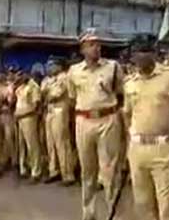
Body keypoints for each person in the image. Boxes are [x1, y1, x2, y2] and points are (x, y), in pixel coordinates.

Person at [123, 42, 169, 220]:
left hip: (163, 147)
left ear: (154, 53)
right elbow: (127, 113)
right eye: (137, 52)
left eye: (145, 51)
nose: (141, 56)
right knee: (142, 203)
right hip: (137, 149)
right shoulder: (129, 82)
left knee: (166, 206)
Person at [67, 30, 125, 220]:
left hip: (108, 119)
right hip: (83, 121)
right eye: (91, 44)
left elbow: (121, 94)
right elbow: (72, 97)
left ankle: (112, 214)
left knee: (110, 171)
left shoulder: (113, 67)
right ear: (83, 48)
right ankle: (89, 213)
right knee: (87, 171)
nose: (96, 48)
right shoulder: (74, 71)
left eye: (98, 44)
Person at [42, 58, 76, 185]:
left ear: (59, 66)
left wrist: (47, 94)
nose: (49, 67)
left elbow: (54, 95)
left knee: (62, 143)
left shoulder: (64, 78)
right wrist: (46, 94)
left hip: (60, 111)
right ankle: (54, 171)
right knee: (50, 144)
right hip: (50, 111)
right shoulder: (49, 80)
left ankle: (68, 174)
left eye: (52, 65)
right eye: (48, 65)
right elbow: (42, 95)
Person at [15, 70, 43, 182]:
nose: (19, 76)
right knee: (21, 146)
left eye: (21, 74)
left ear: (27, 74)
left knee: (32, 145)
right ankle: (23, 169)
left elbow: (36, 105)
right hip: (19, 119)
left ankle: (36, 172)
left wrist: (22, 113)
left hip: (29, 118)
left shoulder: (33, 87)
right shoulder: (20, 87)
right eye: (18, 75)